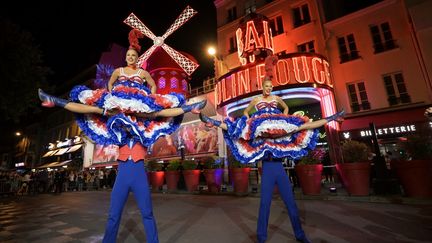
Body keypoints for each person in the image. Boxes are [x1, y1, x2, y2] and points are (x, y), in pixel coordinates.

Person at [199, 54, 344, 243]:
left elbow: (307, 125)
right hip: (267, 167)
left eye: (270, 87)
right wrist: (242, 118)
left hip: (279, 168)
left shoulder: (282, 128)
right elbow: (237, 126)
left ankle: (300, 235)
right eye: (266, 87)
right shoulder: (258, 127)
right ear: (262, 88)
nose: (268, 89)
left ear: (272, 88)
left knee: (291, 203)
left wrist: (331, 118)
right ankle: (261, 237)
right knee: (265, 204)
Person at [38, 29, 206, 147]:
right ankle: (54, 101)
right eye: (128, 55)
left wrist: (151, 96)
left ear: (137, 58)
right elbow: (110, 83)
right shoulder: (118, 70)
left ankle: (192, 107)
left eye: (133, 55)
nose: (131, 57)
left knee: (158, 112)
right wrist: (111, 93)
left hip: (138, 101)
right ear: (126, 57)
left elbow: (153, 84)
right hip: (119, 99)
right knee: (94, 108)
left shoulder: (143, 72)